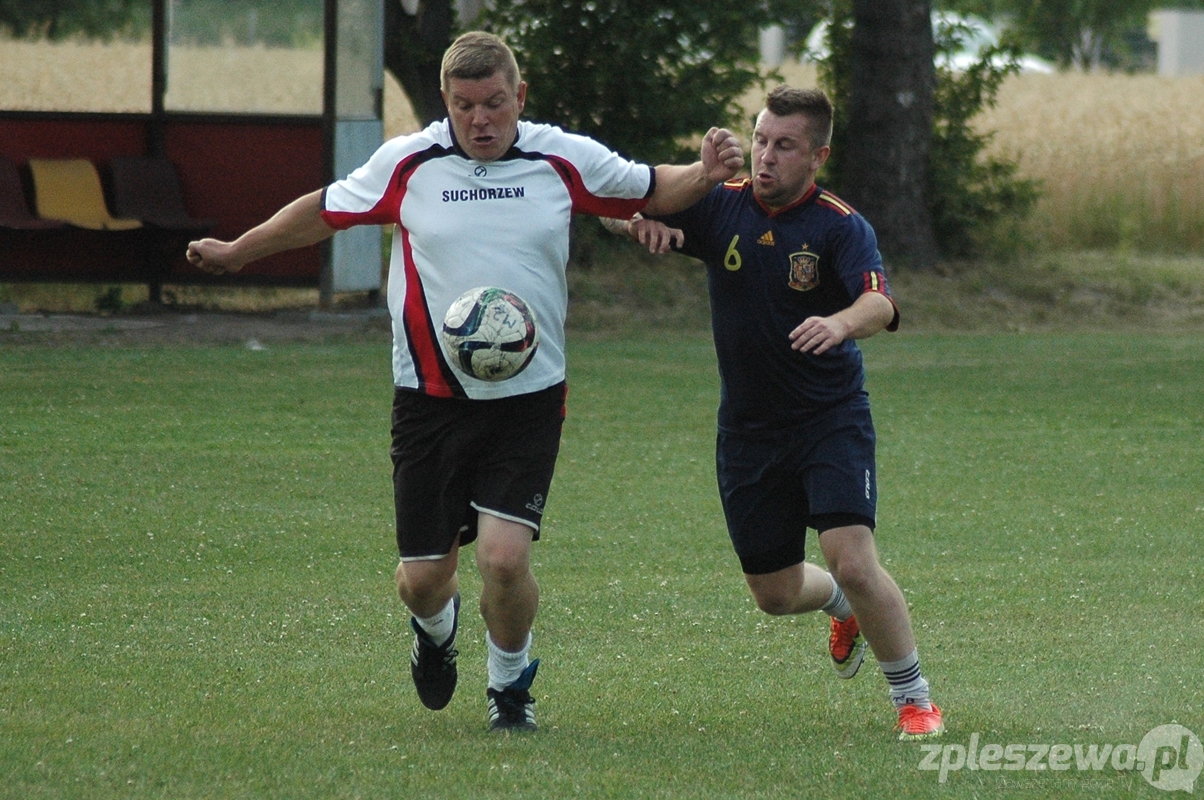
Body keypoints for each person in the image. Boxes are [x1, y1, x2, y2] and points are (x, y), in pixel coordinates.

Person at [185, 31, 743, 733]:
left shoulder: (560, 157)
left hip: (528, 399)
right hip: (428, 401)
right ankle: (435, 630)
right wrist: (239, 251)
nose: (481, 120)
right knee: (422, 579)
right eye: (464, 105)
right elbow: (323, 211)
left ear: (521, 97)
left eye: (495, 104)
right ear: (446, 103)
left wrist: (706, 171)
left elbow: (652, 187)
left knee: (504, 559)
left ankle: (510, 688)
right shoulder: (409, 163)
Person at [610, 86, 943, 740]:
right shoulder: (721, 202)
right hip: (749, 431)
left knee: (852, 556)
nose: (765, 156)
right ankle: (842, 607)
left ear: (817, 155)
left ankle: (915, 699)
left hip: (829, 419)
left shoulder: (840, 224)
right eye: (760, 139)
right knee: (774, 594)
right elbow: (614, 205)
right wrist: (635, 223)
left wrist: (839, 322)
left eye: (783, 146)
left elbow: (880, 304)